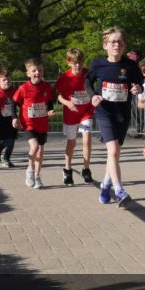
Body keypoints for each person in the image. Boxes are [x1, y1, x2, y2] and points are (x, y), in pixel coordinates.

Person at [86, 26, 143, 206]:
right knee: (113, 150)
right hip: (104, 112)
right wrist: (92, 95)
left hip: (122, 114)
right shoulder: (98, 64)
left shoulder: (130, 65)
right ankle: (119, 190)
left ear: (124, 45)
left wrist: (137, 88)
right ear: (105, 45)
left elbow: (139, 82)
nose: (116, 44)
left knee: (114, 154)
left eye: (119, 41)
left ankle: (105, 184)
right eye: (112, 42)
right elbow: (87, 80)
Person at [12, 58, 55, 189]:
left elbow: (49, 102)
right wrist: (14, 118)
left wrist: (50, 110)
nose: (37, 73)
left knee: (41, 150)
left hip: (42, 123)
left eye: (40, 70)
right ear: (28, 74)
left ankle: (37, 176)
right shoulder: (23, 88)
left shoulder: (46, 87)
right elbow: (14, 103)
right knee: (35, 146)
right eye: (34, 70)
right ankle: (29, 170)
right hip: (28, 123)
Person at [56, 48, 95, 186]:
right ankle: (67, 169)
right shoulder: (64, 77)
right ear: (69, 63)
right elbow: (59, 96)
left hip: (86, 111)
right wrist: (67, 103)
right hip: (71, 113)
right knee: (71, 143)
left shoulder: (88, 74)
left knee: (87, 138)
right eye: (75, 62)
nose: (78, 65)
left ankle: (86, 169)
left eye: (80, 62)